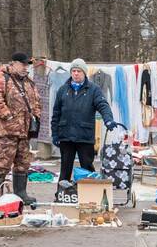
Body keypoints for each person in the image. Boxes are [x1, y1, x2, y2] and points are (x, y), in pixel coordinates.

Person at [50, 58, 118, 198]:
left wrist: (108, 120)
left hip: (84, 136)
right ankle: (62, 194)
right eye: (73, 71)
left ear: (84, 73)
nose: (75, 74)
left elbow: (103, 105)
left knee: (87, 167)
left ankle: (90, 196)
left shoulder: (93, 90)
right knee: (65, 169)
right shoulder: (63, 89)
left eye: (78, 71)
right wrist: (55, 134)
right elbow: (56, 113)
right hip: (66, 135)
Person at [0, 53, 42, 205]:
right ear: (14, 63)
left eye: (27, 65)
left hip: (24, 132)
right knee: (3, 164)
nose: (26, 67)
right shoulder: (1, 77)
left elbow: (36, 101)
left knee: (23, 163)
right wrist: (8, 117)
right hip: (6, 132)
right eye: (23, 64)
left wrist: (35, 116)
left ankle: (21, 194)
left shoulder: (29, 82)